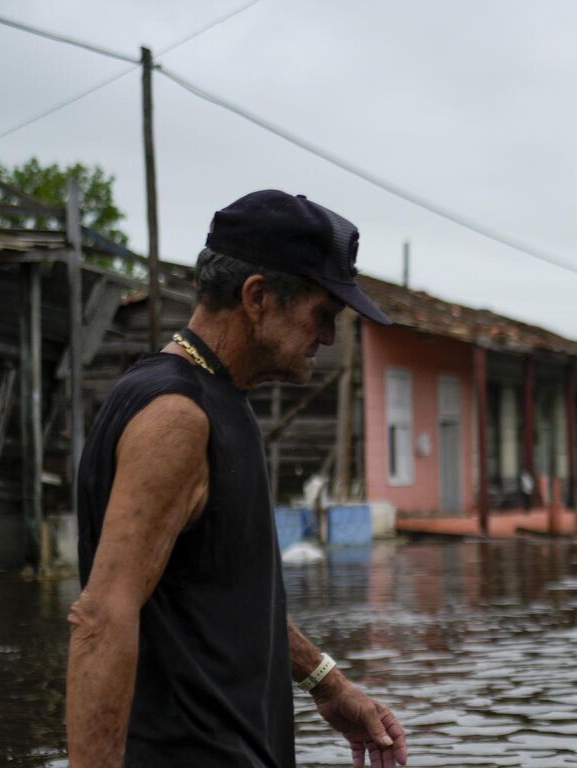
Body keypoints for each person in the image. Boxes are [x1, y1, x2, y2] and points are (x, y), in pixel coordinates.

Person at [68, 190, 409, 768]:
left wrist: (330, 685)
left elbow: (228, 597)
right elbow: (102, 618)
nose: (328, 337)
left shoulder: (219, 400)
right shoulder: (176, 416)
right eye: (322, 315)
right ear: (257, 297)